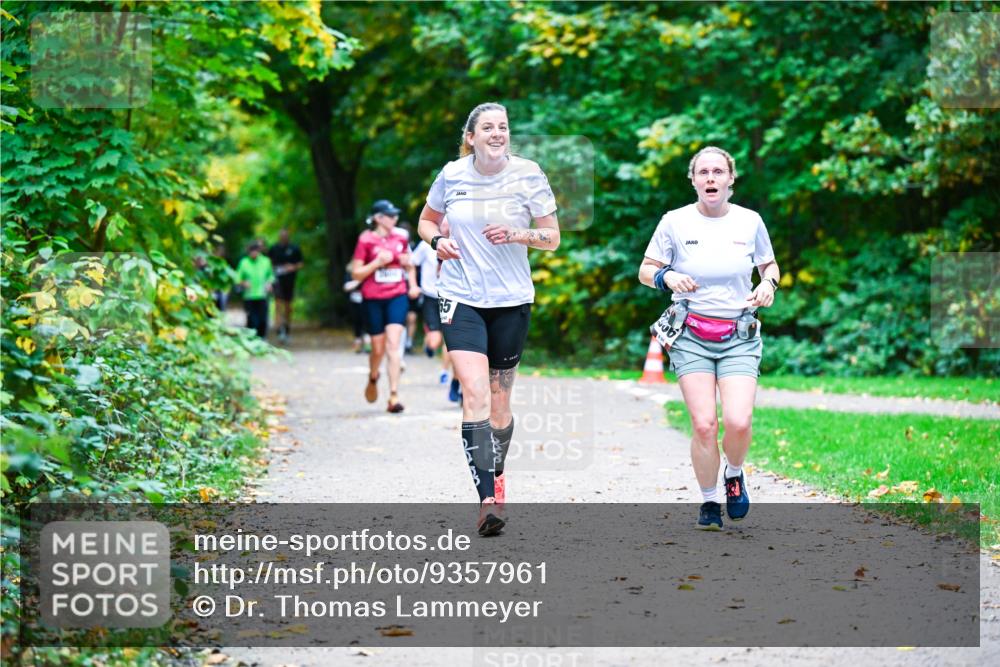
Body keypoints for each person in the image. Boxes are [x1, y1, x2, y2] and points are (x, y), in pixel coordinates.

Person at [418, 102, 560, 536]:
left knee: (499, 403)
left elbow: (552, 237)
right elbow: (426, 222)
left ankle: (497, 477)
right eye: (488, 128)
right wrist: (438, 241)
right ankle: (486, 500)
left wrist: (517, 234)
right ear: (471, 137)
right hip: (461, 296)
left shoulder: (529, 173)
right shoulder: (452, 174)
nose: (497, 133)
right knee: (475, 393)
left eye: (503, 127)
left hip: (512, 299)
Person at [638, 146, 780, 531]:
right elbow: (645, 269)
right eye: (704, 172)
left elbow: (769, 264)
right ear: (694, 180)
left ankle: (733, 474)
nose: (711, 178)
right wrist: (667, 276)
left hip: (739, 333)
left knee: (738, 419)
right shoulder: (675, 222)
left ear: (731, 179)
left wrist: (768, 283)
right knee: (703, 425)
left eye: (719, 171)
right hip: (690, 333)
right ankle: (708, 501)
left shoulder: (750, 222)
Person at [351, 199, 421, 413]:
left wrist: (413, 285)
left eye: (396, 215)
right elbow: (356, 273)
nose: (395, 219)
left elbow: (409, 265)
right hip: (372, 298)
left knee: (393, 344)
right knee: (378, 348)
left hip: (397, 296)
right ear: (378, 218)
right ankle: (373, 376)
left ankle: (393, 396)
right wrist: (377, 263)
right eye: (391, 215)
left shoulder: (401, 236)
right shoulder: (365, 240)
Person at [410, 218, 457, 394]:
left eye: (448, 223)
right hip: (430, 296)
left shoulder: (459, 242)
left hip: (452, 296)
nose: (446, 226)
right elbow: (411, 264)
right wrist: (413, 285)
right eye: (443, 223)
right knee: (435, 340)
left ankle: (445, 372)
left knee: (451, 340)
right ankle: (428, 345)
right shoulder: (426, 245)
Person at [268, 229, 304, 343]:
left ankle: (287, 329)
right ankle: (279, 331)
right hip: (277, 281)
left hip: (290, 281)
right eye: (281, 236)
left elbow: (301, 263)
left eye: (285, 236)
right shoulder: (274, 248)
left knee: (288, 307)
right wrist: (275, 270)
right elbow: (268, 262)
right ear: (279, 237)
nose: (283, 237)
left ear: (288, 236)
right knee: (278, 305)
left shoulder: (294, 248)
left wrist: (292, 267)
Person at [236, 241, 274, 338]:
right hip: (249, 295)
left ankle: (262, 338)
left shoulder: (266, 261)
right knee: (252, 319)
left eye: (255, 251)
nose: (253, 254)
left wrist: (269, 283)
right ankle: (251, 339)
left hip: (262, 295)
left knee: (263, 319)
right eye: (251, 251)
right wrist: (243, 283)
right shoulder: (244, 262)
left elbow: (271, 276)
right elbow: (237, 278)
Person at [343, 262, 365, 353]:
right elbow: (346, 287)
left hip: (369, 299)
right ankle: (358, 342)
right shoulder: (349, 273)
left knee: (369, 321)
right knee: (357, 321)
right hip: (355, 300)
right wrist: (359, 281)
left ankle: (368, 342)